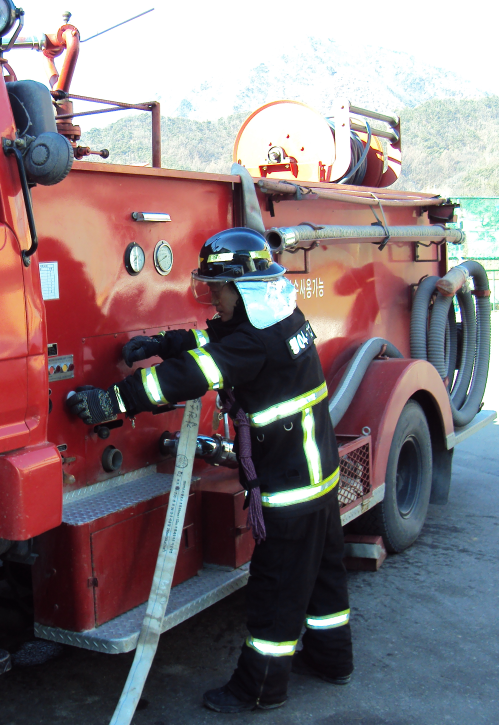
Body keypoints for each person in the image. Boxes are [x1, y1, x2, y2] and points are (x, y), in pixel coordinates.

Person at [67, 227, 353, 713]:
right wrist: (168, 341)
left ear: (243, 289)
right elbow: (218, 340)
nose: (212, 300)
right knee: (323, 578)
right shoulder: (280, 318)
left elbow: (190, 377)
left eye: (216, 290)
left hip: (289, 490)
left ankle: (259, 688)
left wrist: (112, 400)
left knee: (276, 591)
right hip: (317, 479)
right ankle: (332, 659)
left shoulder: (255, 342)